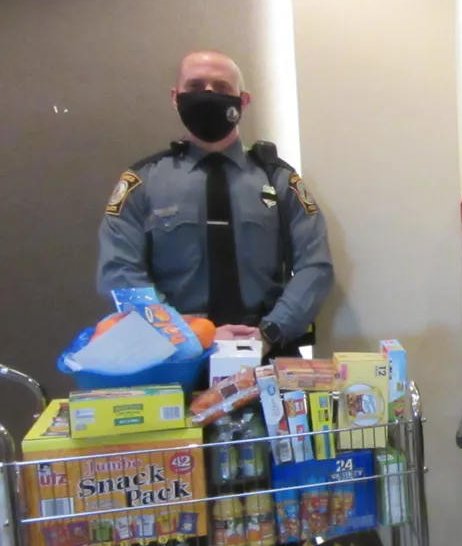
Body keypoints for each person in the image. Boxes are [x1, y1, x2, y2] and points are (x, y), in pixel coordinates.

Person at [97, 50, 333, 355]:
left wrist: (270, 332)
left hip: (266, 351)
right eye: (195, 87)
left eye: (221, 87)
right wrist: (188, 335)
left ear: (243, 100)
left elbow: (315, 265)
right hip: (174, 356)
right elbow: (119, 273)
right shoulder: (142, 182)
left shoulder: (278, 179)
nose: (208, 95)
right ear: (175, 97)